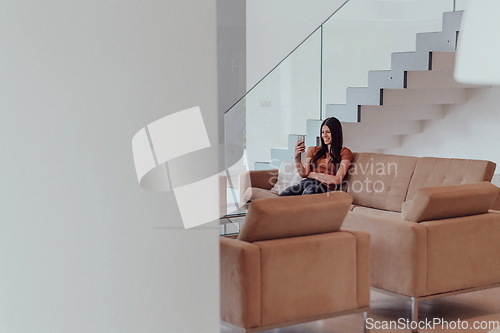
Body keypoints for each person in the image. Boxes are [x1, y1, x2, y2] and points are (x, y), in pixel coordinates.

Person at [279, 117, 352, 196]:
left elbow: (337, 179)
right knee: (285, 194)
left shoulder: (344, 152)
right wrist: (297, 157)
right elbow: (304, 174)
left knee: (309, 191)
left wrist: (313, 174)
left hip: (325, 187)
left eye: (328, 132)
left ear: (336, 133)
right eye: (322, 132)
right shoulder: (314, 150)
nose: (324, 135)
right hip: (306, 183)